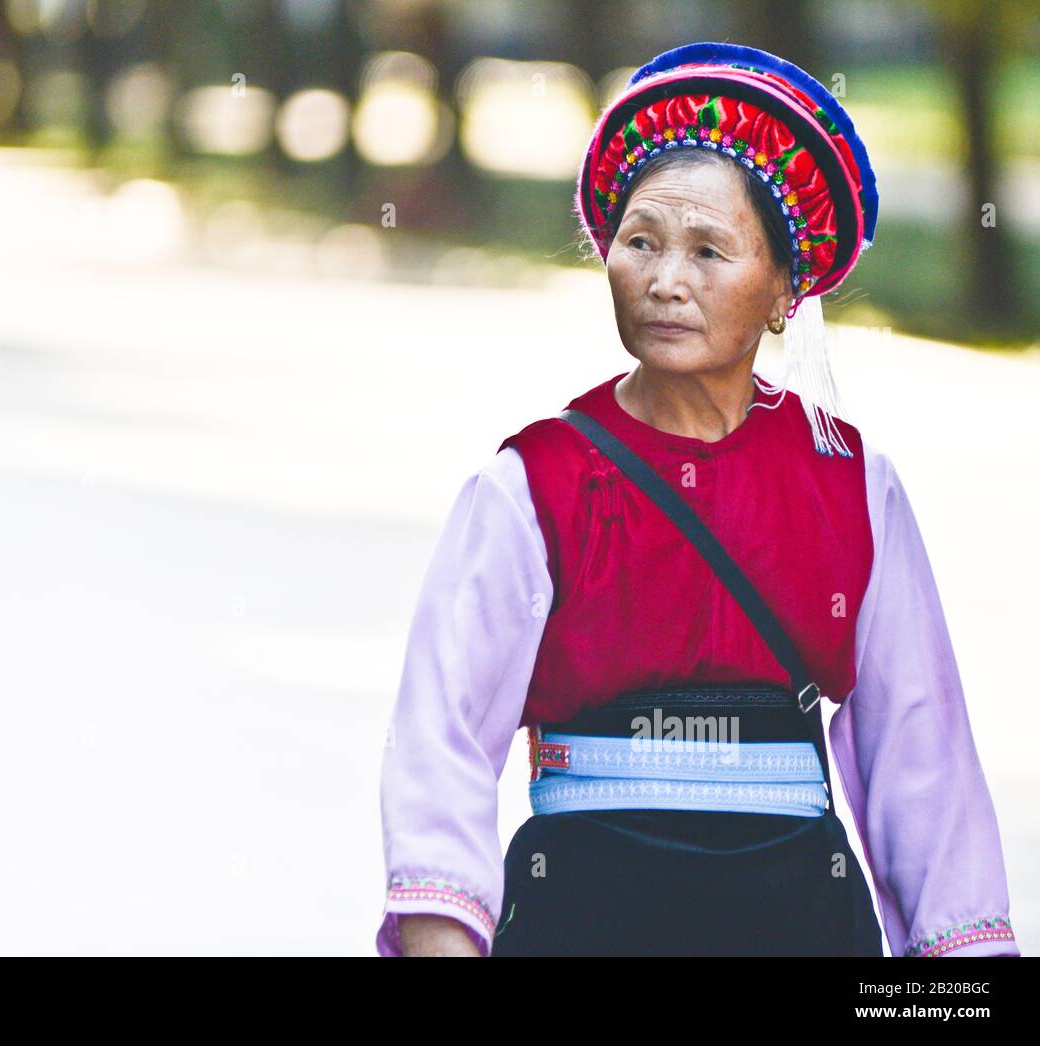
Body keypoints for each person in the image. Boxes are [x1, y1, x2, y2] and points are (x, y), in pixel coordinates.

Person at [376, 42, 1019, 958]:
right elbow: (439, 748)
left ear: (784, 290)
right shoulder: (532, 485)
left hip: (799, 917)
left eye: (709, 251)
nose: (667, 280)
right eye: (641, 242)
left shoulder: (851, 485)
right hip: (583, 913)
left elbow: (926, 762)